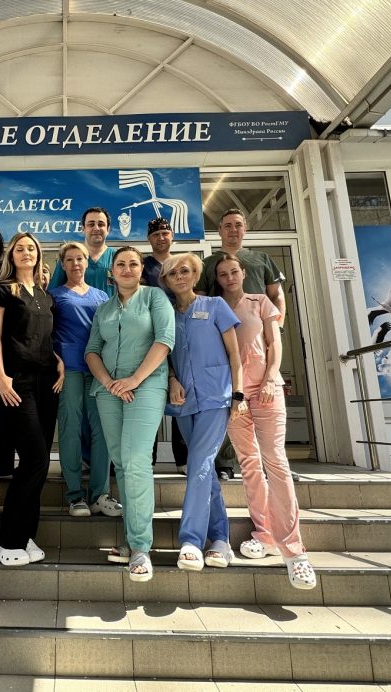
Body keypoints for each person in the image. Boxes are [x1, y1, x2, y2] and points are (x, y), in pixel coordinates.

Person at [216, 256, 316, 590]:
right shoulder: (215, 306)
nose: (230, 277)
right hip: (234, 396)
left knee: (275, 461)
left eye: (234, 272)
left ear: (243, 273)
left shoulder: (260, 302)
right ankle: (264, 533)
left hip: (266, 391)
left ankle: (294, 550)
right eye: (223, 274)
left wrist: (273, 377)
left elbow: (275, 343)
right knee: (249, 462)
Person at [85, 247, 174, 582]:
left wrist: (133, 380)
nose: (126, 269)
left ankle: (140, 547)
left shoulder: (155, 298)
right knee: (121, 462)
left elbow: (165, 340)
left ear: (141, 269)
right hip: (108, 390)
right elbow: (92, 351)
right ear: (112, 272)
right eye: (120, 264)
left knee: (136, 460)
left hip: (145, 386)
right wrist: (110, 383)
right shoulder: (104, 308)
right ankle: (131, 538)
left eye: (132, 264)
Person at [160, 253, 246, 571]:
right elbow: (164, 356)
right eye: (173, 273)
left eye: (185, 271)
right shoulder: (166, 314)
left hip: (215, 397)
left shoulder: (215, 306)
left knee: (198, 464)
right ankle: (221, 539)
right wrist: (172, 379)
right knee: (204, 469)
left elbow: (235, 355)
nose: (180, 277)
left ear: (195, 275)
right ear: (166, 281)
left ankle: (191, 542)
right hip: (183, 402)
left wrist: (238, 395)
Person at [0, 232, 64, 565]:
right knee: (34, 458)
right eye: (20, 248)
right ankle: (8, 540)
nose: (26, 252)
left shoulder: (46, 295)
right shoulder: (1, 289)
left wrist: (58, 361)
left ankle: (26, 534)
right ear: (11, 254)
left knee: (40, 462)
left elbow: (45, 335)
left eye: (31, 248)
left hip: (48, 380)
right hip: (16, 380)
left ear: (38, 255)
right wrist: (0, 375)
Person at [198, 208, 289, 480]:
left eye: (238, 225)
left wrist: (275, 328)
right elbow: (200, 299)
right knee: (230, 405)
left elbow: (277, 295)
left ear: (245, 229)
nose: (233, 230)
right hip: (222, 346)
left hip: (258, 345)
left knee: (266, 409)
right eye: (227, 225)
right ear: (219, 231)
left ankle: (272, 464)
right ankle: (225, 463)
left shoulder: (261, 259)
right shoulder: (209, 263)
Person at [49, 242, 119, 518]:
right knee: (71, 429)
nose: (76, 263)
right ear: (63, 264)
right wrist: (56, 360)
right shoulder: (55, 296)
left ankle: (99, 494)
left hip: (99, 370)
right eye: (70, 259)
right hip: (70, 369)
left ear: (87, 262)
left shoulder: (101, 295)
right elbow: (46, 334)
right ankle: (75, 495)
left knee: (102, 430)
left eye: (80, 258)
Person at [142, 217, 189, 474]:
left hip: (180, 332)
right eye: (156, 234)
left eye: (165, 233)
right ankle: (147, 460)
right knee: (149, 397)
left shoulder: (182, 264)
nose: (161, 237)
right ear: (149, 239)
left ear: (172, 236)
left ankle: (182, 459)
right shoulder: (143, 265)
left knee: (181, 394)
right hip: (150, 336)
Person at [49, 207, 116, 295]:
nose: (96, 228)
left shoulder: (117, 257)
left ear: (108, 229)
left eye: (101, 224)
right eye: (91, 224)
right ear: (83, 229)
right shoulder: (69, 256)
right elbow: (53, 293)